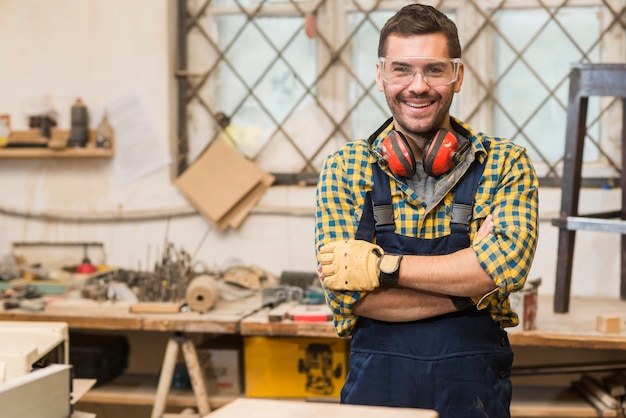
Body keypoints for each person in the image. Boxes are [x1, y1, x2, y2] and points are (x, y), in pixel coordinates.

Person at [314, 4, 539, 418]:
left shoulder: (505, 162)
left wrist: (382, 269)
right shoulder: (345, 168)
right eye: (402, 69)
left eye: (434, 69)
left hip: (473, 399)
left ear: (458, 75)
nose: (418, 86)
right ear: (381, 75)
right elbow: (348, 295)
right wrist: (471, 291)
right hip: (375, 398)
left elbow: (503, 269)